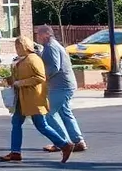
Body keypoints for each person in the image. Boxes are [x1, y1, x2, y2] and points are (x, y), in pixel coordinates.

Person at [0, 35, 73, 162]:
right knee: (16, 123)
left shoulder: (33, 59)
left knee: (41, 125)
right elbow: (19, 77)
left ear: (25, 46)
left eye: (19, 46)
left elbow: (40, 77)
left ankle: (64, 145)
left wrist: (20, 83)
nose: (17, 49)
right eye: (16, 46)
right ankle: (15, 152)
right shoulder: (21, 60)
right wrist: (9, 80)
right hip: (21, 99)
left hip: (33, 99)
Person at [36, 25, 87, 154]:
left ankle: (63, 143)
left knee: (48, 113)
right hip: (65, 85)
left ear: (47, 34)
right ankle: (78, 141)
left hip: (61, 86)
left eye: (39, 34)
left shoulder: (51, 46)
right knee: (65, 113)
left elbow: (54, 67)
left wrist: (42, 77)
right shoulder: (51, 46)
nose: (37, 36)